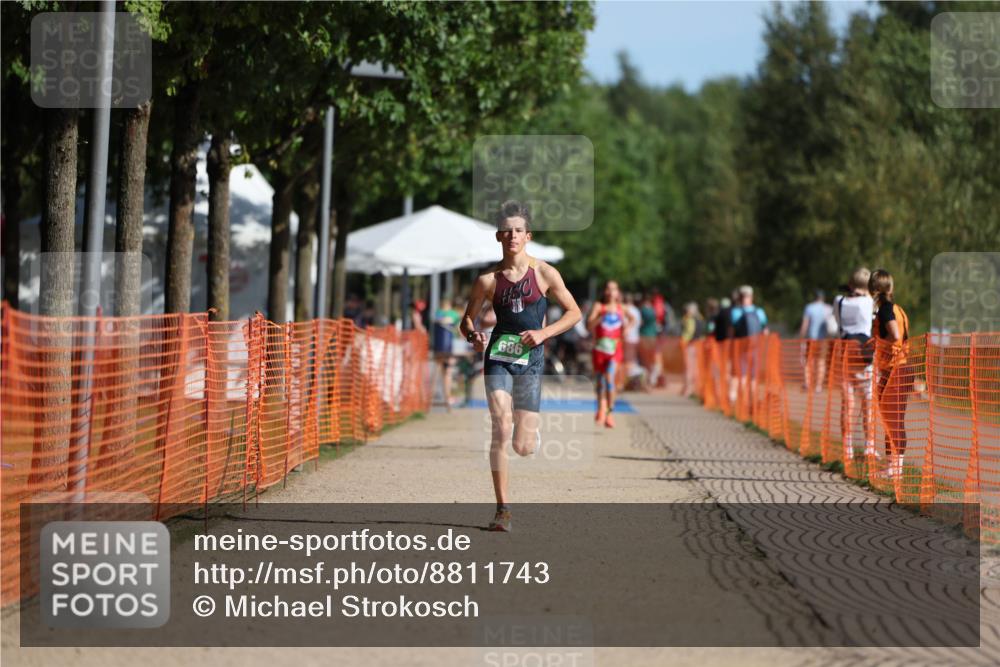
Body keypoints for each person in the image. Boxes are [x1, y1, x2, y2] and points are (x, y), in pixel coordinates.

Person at [460, 201, 581, 532]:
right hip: (498, 355)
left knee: (521, 446)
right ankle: (503, 510)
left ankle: (529, 434)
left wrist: (543, 332)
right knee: (500, 425)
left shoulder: (544, 273)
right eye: (506, 231)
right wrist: (474, 336)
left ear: (527, 236)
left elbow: (574, 313)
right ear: (498, 236)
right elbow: (466, 320)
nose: (512, 236)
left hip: (532, 360)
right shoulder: (487, 280)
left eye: (518, 231)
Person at [869, 269, 911, 481]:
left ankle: (893, 468)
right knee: (895, 420)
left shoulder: (886, 310)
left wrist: (878, 342)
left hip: (893, 369)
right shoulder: (898, 309)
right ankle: (896, 468)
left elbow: (895, 334)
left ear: (873, 290)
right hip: (903, 368)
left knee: (890, 420)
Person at [833, 268, 875, 460]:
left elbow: (837, 321)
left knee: (847, 403)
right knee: (867, 402)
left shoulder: (838, 301)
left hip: (844, 355)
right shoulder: (869, 302)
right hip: (864, 357)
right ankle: (869, 446)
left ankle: (847, 447)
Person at [587, 280, 635, 428]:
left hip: (615, 350)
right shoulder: (599, 306)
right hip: (600, 350)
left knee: (609, 377)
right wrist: (601, 316)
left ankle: (609, 413)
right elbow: (589, 324)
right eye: (608, 289)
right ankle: (600, 408)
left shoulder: (622, 308)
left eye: (613, 289)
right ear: (604, 292)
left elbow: (633, 319)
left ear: (617, 292)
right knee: (600, 382)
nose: (610, 292)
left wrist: (627, 329)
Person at [728, 285, 768, 410]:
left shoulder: (735, 312)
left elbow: (732, 330)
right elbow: (765, 330)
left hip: (740, 348)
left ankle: (739, 402)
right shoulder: (759, 312)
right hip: (755, 347)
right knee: (752, 376)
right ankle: (751, 403)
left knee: (740, 375)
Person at [799, 289, 834, 393]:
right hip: (824, 340)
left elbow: (805, 324)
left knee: (808, 362)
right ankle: (818, 386)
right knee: (821, 362)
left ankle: (807, 383)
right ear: (823, 298)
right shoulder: (828, 308)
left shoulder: (809, 307)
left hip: (811, 339)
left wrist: (801, 336)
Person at [433, 298, 461, 411]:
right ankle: (447, 398)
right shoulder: (454, 314)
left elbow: (438, 322)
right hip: (450, 347)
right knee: (448, 372)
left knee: (439, 371)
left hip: (439, 347)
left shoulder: (438, 313)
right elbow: (459, 329)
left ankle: (434, 398)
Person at [680, 302, 705, 397]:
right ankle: (694, 388)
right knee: (696, 367)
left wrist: (683, 340)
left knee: (688, 368)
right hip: (698, 345)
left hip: (690, 345)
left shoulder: (690, 319)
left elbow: (689, 332)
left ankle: (688, 389)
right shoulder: (700, 318)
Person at [638, 293, 661, 389]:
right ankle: (651, 381)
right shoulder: (653, 310)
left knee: (644, 361)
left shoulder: (642, 310)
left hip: (644, 336)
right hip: (653, 336)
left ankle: (646, 383)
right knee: (652, 360)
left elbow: (640, 322)